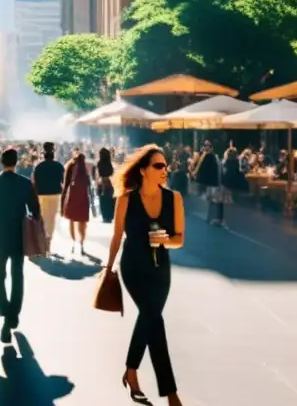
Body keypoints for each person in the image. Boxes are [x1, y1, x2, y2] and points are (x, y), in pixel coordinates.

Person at [106, 145, 185, 406]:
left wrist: (164, 240)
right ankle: (171, 394)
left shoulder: (174, 198)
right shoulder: (126, 199)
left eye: (165, 165)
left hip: (161, 267)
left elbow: (179, 240)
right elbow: (117, 235)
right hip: (133, 267)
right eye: (158, 166)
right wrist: (108, 269)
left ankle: (130, 371)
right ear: (143, 171)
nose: (165, 170)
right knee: (154, 319)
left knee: (150, 317)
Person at [0, 147, 41, 344]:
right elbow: (35, 211)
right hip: (18, 235)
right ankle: (13, 313)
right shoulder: (24, 183)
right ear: (17, 162)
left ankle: (4, 309)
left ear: (1, 162)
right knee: (17, 275)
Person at [32, 143, 65, 254]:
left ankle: (44, 246)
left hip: (42, 195)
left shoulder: (38, 167)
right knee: (51, 221)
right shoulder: (59, 166)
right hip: (55, 195)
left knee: (44, 220)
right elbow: (62, 182)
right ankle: (48, 246)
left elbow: (34, 183)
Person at [62, 149, 91, 256]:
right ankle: (82, 243)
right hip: (83, 198)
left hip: (72, 197)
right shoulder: (85, 168)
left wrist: (63, 200)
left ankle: (74, 242)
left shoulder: (70, 166)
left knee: (71, 220)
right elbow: (89, 184)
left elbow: (66, 184)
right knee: (82, 222)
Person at [97, 148, 116, 223]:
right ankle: (109, 216)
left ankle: (105, 216)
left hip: (102, 184)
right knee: (110, 201)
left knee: (103, 201)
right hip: (110, 183)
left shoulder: (99, 163)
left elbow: (98, 173)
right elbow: (112, 172)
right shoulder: (110, 163)